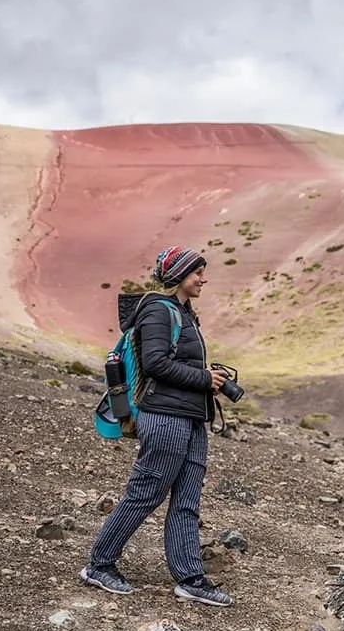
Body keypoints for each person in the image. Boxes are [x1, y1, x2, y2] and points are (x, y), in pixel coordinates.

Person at [80, 245, 233, 606]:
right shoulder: (156, 310)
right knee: (146, 492)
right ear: (179, 275)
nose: (203, 279)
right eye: (198, 273)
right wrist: (202, 378)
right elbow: (156, 364)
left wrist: (209, 379)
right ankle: (99, 565)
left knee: (187, 500)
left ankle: (190, 578)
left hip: (192, 419)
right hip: (164, 418)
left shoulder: (183, 312)